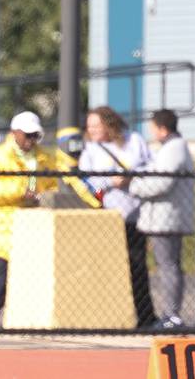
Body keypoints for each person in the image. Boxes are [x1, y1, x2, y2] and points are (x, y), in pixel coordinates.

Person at [0, 111, 58, 329]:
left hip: (35, 221)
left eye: (35, 136)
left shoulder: (44, 156)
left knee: (37, 268)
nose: (31, 140)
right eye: (27, 135)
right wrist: (21, 191)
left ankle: (29, 315)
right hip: (5, 222)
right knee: (4, 266)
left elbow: (53, 183)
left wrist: (44, 194)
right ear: (14, 133)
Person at [78, 106, 157, 328]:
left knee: (138, 266)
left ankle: (145, 317)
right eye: (89, 125)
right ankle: (107, 317)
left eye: (96, 125)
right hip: (106, 217)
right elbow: (86, 182)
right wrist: (110, 182)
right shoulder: (91, 150)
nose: (91, 129)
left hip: (134, 214)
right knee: (106, 267)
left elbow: (151, 166)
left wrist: (130, 177)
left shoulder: (134, 141)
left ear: (109, 124)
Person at [125, 109, 194, 329]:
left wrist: (133, 186)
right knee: (168, 265)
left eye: (153, 128)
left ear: (162, 129)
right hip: (163, 217)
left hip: (167, 218)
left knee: (168, 265)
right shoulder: (170, 148)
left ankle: (171, 315)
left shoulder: (174, 149)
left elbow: (161, 182)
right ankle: (170, 314)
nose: (151, 132)